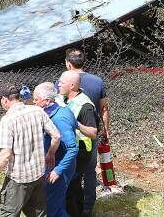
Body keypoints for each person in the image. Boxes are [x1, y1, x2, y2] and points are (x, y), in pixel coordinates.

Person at [0, 84, 61, 217]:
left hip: (18, 179)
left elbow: (5, 154)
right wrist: (50, 154)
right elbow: (56, 136)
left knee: (9, 213)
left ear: (4, 100)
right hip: (38, 174)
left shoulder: (7, 120)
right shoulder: (37, 111)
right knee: (39, 214)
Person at [60, 48, 110, 217]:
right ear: (84, 62)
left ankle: (70, 206)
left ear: (68, 63)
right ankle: (87, 208)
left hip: (69, 137)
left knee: (69, 172)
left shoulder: (63, 82)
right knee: (89, 172)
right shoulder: (97, 81)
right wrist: (106, 131)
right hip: (90, 135)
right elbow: (104, 109)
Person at [33, 82, 79, 217]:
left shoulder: (60, 119)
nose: (33, 102)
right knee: (57, 204)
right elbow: (76, 124)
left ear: (47, 100)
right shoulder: (61, 109)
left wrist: (58, 171)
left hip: (59, 168)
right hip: (53, 164)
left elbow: (72, 148)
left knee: (51, 209)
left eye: (36, 99)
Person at [58, 70, 98, 217]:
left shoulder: (85, 105)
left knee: (71, 186)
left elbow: (93, 132)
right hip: (66, 148)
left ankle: (78, 212)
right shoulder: (62, 98)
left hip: (80, 150)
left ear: (72, 85)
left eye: (62, 82)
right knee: (70, 187)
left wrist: (75, 124)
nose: (59, 84)